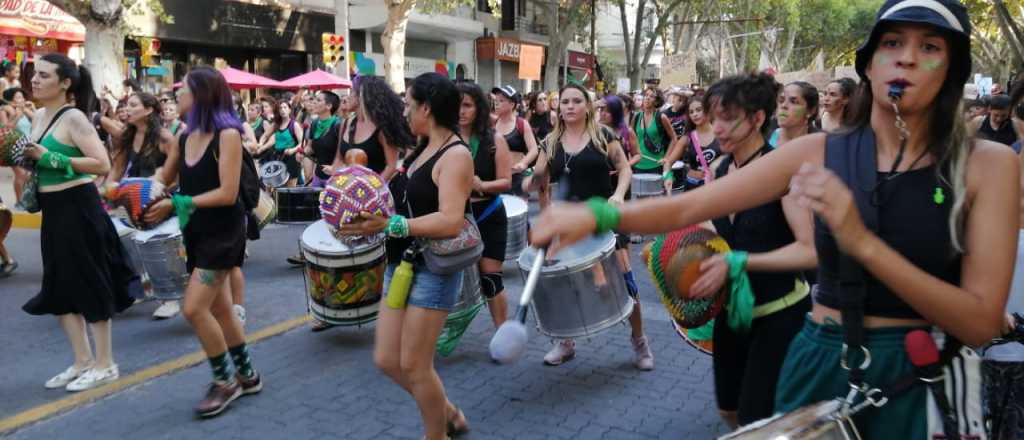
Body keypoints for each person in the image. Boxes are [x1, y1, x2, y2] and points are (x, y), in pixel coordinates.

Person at [532, 1, 1016, 437]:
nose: (907, 57)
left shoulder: (988, 165)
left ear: (953, 69)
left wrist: (859, 240)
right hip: (820, 362)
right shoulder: (819, 152)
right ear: (869, 65)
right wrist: (595, 214)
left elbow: (980, 323)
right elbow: (690, 206)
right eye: (893, 43)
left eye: (929, 46)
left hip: (922, 377)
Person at [339, 72, 473, 440]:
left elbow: (450, 221)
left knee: (416, 367)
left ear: (426, 108)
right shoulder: (422, 146)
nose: (404, 110)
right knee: (386, 359)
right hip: (401, 266)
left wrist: (389, 225)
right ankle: (446, 412)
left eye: (408, 104)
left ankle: (438, 434)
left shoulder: (456, 154)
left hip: (433, 271)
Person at [146, 66, 262, 417]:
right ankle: (248, 375)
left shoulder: (227, 135)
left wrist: (177, 202)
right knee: (221, 309)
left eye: (182, 91)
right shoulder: (184, 137)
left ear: (200, 96)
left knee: (194, 308)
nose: (174, 97)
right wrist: (126, 190)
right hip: (197, 232)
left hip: (224, 234)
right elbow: (164, 178)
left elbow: (228, 194)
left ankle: (225, 383)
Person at [21, 53, 135, 391]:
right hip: (53, 208)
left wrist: (50, 157)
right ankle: (82, 361)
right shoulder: (39, 115)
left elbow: (101, 164)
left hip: (79, 207)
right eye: (34, 75)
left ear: (65, 83)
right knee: (59, 286)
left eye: (43, 75)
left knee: (90, 281)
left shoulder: (74, 119)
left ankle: (106, 363)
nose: (35, 80)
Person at [523, 83, 654, 370]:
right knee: (564, 284)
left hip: (604, 217)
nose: (569, 106)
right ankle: (565, 342)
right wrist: (532, 181)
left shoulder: (603, 135)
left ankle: (640, 341)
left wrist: (618, 195)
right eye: (565, 102)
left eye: (576, 101)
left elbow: (625, 168)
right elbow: (540, 180)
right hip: (568, 221)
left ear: (587, 106)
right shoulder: (551, 142)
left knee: (624, 282)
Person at [305, 77, 413, 329]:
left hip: (378, 199)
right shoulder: (347, 124)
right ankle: (331, 308)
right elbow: (339, 160)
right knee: (336, 249)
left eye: (352, 93)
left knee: (381, 255)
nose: (347, 98)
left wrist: (370, 189)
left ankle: (388, 309)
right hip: (346, 200)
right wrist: (335, 178)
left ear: (364, 96)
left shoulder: (382, 127)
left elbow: (391, 166)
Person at [105, 92, 181, 319]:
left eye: (133, 105)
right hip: (131, 200)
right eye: (126, 105)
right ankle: (143, 287)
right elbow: (115, 171)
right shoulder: (125, 137)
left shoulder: (165, 137)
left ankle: (170, 298)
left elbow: (177, 173)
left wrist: (159, 190)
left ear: (148, 110)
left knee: (156, 246)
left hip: (160, 199)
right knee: (123, 239)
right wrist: (108, 188)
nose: (127, 109)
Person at [457, 82, 512, 329]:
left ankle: (502, 333)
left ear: (478, 108)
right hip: (455, 216)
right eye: (456, 105)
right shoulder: (443, 139)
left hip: (488, 214)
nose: (461, 110)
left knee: (491, 280)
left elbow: (506, 182)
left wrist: (481, 185)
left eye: (467, 105)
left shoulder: (494, 140)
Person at [491, 86, 539, 197]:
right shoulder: (492, 124)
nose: (496, 104)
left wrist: (523, 163)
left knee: (517, 212)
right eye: (495, 101)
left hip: (517, 178)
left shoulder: (521, 124)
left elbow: (534, 149)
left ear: (512, 104)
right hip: (496, 178)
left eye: (501, 101)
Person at [664, 98, 720, 191]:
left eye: (699, 110)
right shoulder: (687, 138)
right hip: (693, 188)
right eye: (691, 112)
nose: (695, 114)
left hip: (718, 188)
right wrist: (667, 177)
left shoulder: (721, 133)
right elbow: (668, 163)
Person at [632, 87, 678, 185]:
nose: (647, 98)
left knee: (654, 197)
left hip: (655, 165)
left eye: (651, 96)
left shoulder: (661, 117)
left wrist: (666, 158)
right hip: (638, 165)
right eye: (646, 95)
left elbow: (674, 138)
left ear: (657, 101)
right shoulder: (636, 117)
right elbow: (630, 139)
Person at [258, 100, 303, 187]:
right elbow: (265, 136)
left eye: (285, 107)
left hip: (291, 158)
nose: (282, 110)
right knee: (275, 187)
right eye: (280, 108)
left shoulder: (294, 124)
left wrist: (293, 150)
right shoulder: (276, 124)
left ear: (289, 110)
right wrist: (260, 143)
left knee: (290, 189)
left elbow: (302, 143)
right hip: (277, 157)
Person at [2, 87, 32, 203]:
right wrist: (17, 116)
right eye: (19, 97)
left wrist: (30, 110)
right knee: (21, 173)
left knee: (28, 175)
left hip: (28, 148)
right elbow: (5, 130)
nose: (22, 99)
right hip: (12, 148)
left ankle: (25, 200)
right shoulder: (4, 111)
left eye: (23, 97)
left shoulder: (25, 111)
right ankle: (19, 202)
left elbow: (36, 122)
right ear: (11, 100)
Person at [769, 81, 819, 148]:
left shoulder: (820, 146)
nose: (784, 105)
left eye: (793, 102)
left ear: (810, 111)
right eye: (781, 100)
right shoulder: (764, 137)